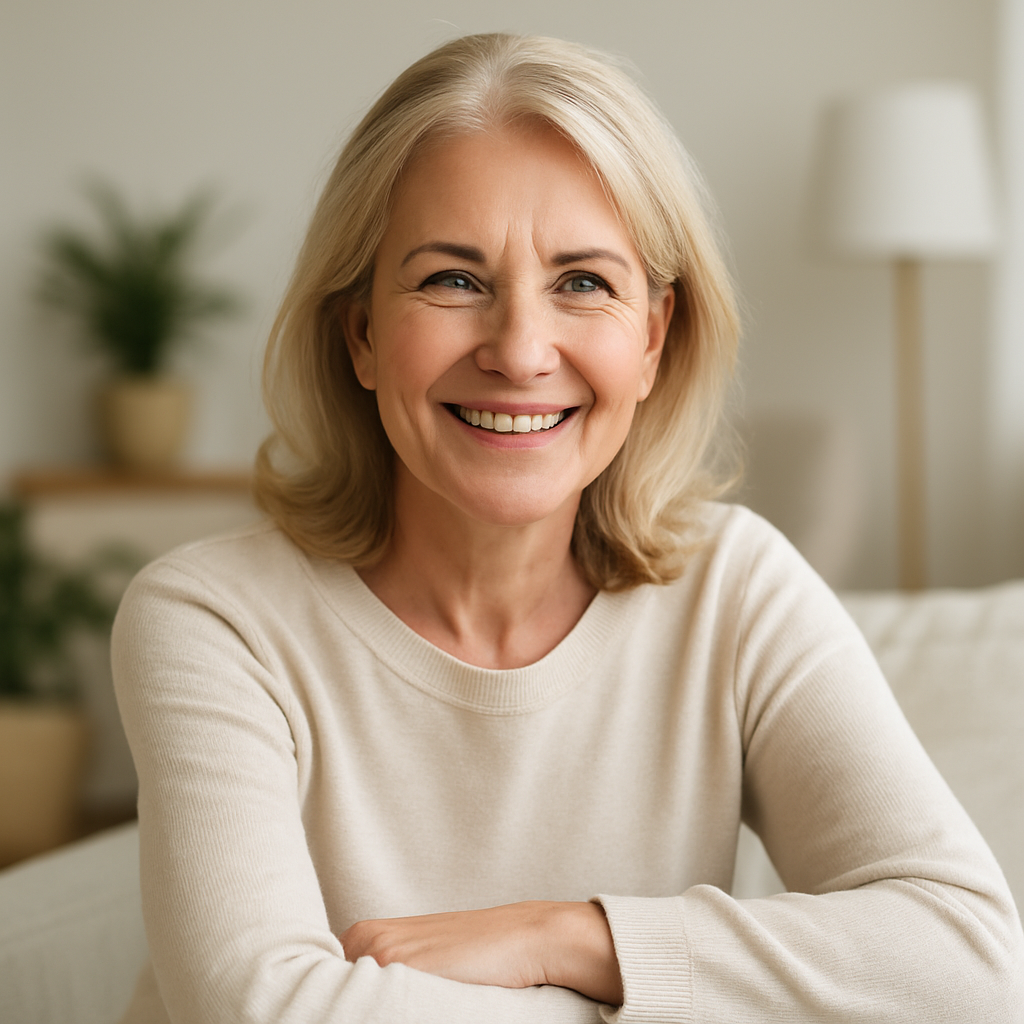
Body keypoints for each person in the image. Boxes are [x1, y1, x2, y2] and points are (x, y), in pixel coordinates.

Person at [112, 32, 1023, 1023]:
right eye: (452, 280)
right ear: (362, 332)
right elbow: (263, 1010)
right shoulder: (210, 619)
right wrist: (669, 993)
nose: (519, 349)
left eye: (583, 282)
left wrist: (563, 935)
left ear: (653, 338)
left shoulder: (736, 587)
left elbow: (969, 960)